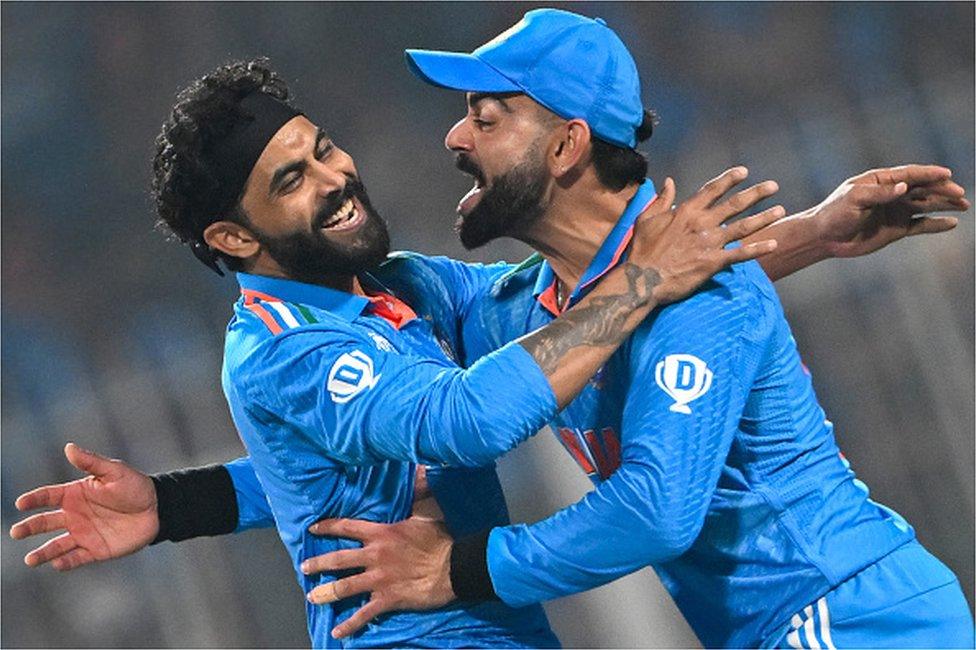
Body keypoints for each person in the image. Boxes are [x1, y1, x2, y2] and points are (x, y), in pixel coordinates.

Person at [12, 10, 973, 649]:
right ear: (231, 236)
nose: (452, 138)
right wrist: (185, 509)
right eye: (292, 179)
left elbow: (655, 503)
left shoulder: (650, 295)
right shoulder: (396, 320)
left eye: (487, 114)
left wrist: (811, 231)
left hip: (839, 614)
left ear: (564, 143)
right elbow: (453, 423)